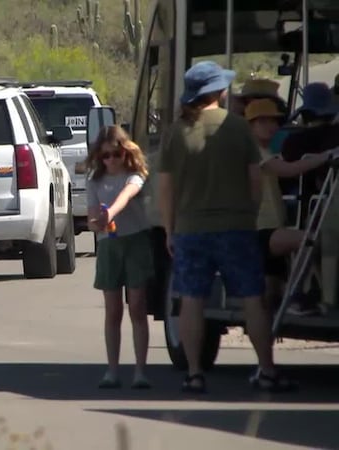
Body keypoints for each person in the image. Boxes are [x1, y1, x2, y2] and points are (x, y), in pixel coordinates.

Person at [157, 61, 295, 393]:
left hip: (191, 228)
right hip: (237, 226)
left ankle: (194, 373)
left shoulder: (176, 133)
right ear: (218, 91)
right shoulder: (238, 128)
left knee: (191, 300)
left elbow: (166, 188)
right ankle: (266, 369)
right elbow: (255, 180)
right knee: (253, 299)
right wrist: (248, 215)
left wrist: (169, 229)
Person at [244, 98, 338, 316]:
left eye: (274, 121)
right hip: (260, 229)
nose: (271, 126)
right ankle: (297, 294)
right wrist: (328, 156)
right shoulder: (254, 152)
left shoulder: (265, 151)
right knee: (308, 240)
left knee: (265, 305)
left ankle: (298, 294)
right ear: (250, 125)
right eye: (262, 121)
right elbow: (290, 170)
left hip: (271, 227)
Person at [85, 125, 154, 390]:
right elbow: (92, 216)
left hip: (136, 241)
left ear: (124, 152)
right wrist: (97, 223)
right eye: (105, 156)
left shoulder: (135, 175)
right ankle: (112, 371)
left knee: (137, 306)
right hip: (109, 246)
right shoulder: (94, 180)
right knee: (113, 311)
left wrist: (110, 213)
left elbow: (127, 195)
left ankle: (140, 371)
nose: (111, 160)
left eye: (115, 154)